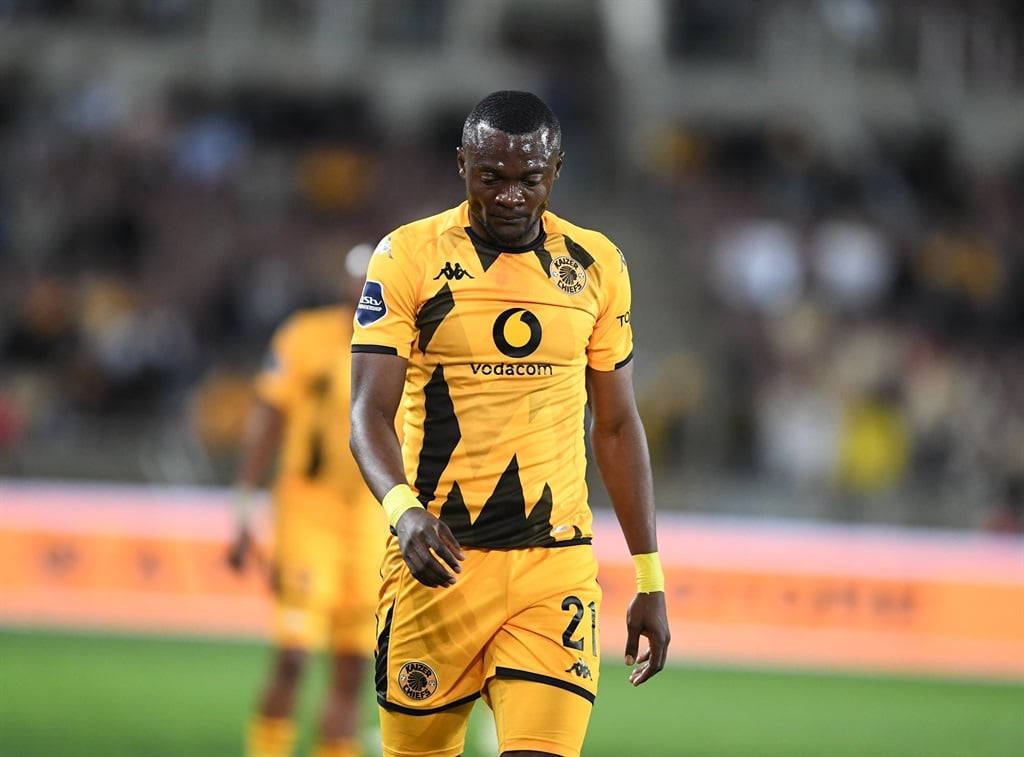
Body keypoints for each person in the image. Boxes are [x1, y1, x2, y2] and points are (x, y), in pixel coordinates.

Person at [349, 90, 670, 757]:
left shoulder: (597, 265)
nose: (510, 195)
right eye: (490, 175)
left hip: (553, 571)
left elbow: (615, 426)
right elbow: (367, 411)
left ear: (556, 171)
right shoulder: (405, 257)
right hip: (439, 564)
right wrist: (404, 510)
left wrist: (649, 576)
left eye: (529, 178)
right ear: (461, 164)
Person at [227, 260, 387, 757]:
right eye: (357, 284)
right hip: (308, 509)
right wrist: (244, 505)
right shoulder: (303, 336)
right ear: (344, 285)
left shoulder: (404, 345)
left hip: (370, 516)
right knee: (294, 654)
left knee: (352, 664)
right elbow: (267, 417)